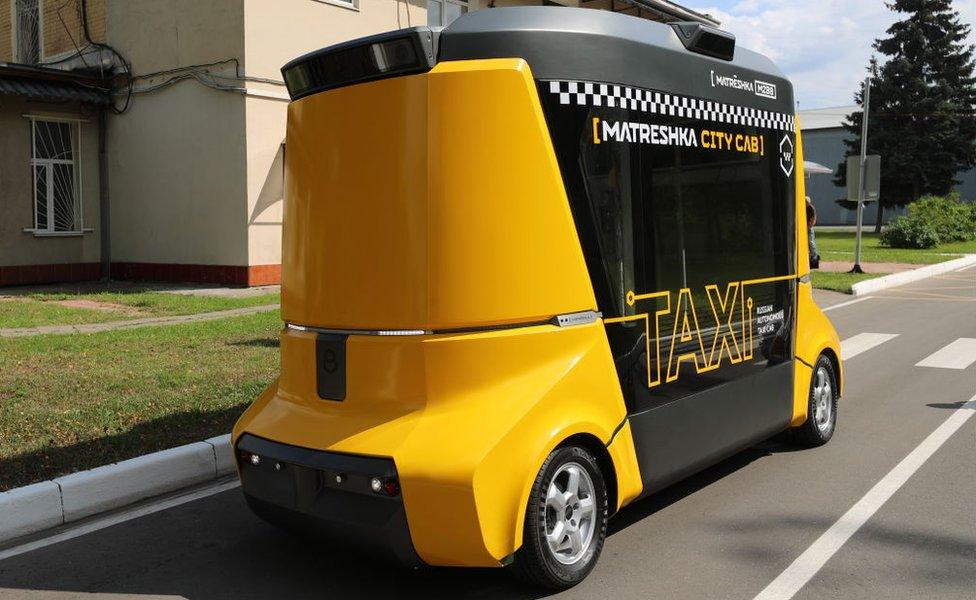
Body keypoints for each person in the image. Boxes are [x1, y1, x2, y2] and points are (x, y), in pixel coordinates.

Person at [806, 197, 820, 269]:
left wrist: (809, 227)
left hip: (809, 227)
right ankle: (810, 256)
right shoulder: (804, 207)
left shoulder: (811, 209)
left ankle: (814, 257)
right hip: (805, 227)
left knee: (811, 242)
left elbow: (813, 219)